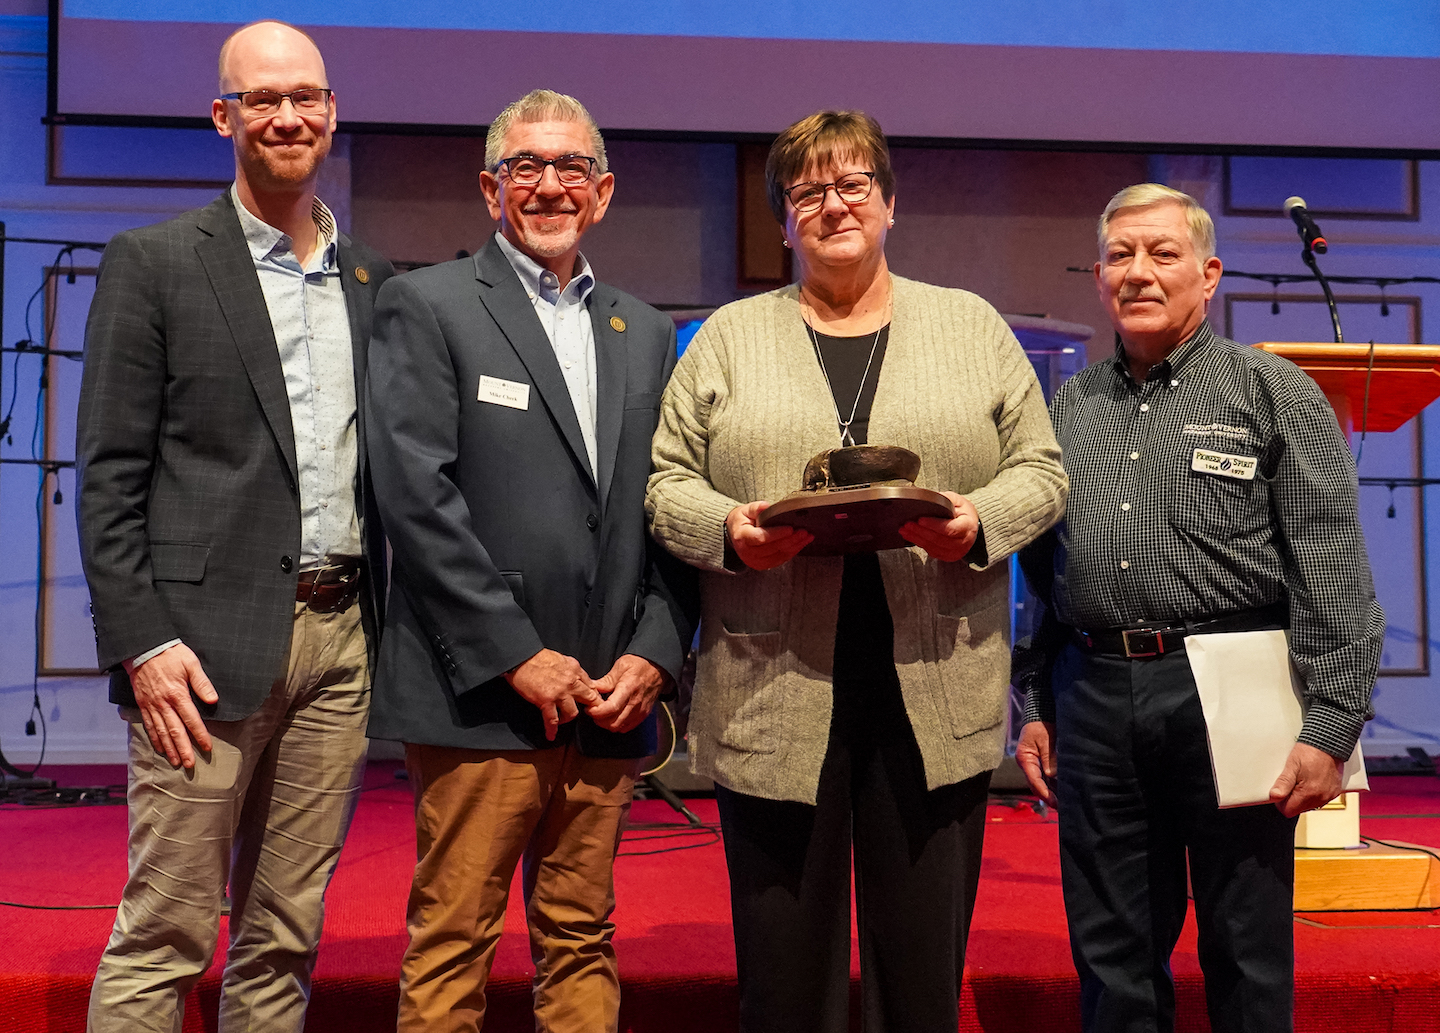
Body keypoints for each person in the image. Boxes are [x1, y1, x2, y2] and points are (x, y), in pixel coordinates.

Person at [646, 110, 1068, 1033]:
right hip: (770, 684)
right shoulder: (726, 336)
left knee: (920, 982)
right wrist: (729, 530)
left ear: (889, 202)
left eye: (853, 184)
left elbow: (1042, 470)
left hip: (937, 682)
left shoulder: (970, 324)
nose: (834, 205)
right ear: (783, 220)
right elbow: (666, 482)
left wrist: (978, 521)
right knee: (783, 984)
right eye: (808, 192)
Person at [75, 20, 394, 1033]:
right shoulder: (155, 263)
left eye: (306, 97)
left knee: (283, 939)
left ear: (333, 112)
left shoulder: (373, 281)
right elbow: (108, 476)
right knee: (163, 937)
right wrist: (142, 642)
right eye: (264, 99)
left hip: (341, 648)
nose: (288, 116)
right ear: (224, 117)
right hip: (198, 656)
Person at [1015, 183, 1384, 1033]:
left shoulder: (1272, 391)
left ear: (1208, 274)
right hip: (1093, 688)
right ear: (1099, 277)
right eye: (1119, 256)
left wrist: (1331, 724)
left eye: (1162, 253)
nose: (1138, 272)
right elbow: (1043, 572)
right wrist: (1033, 700)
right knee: (1112, 952)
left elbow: (1331, 566)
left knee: (1245, 946)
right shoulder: (1067, 407)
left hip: (1236, 685)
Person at [363, 89, 694, 1033]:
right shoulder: (425, 304)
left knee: (583, 937)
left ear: (603, 191)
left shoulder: (646, 329)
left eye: (571, 167)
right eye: (526, 167)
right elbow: (414, 499)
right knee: (454, 940)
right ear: (490, 187)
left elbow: (669, 500)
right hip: (480, 692)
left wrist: (655, 652)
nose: (550, 186)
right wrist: (516, 652)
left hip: (608, 695)